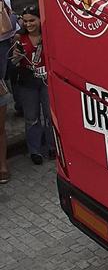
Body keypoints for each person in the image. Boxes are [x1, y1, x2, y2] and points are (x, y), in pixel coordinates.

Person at [8, 9, 53, 165]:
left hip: (47, 81)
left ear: (40, 20)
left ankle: (52, 146)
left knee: (49, 115)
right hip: (27, 83)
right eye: (25, 21)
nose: (28, 24)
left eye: (32, 20)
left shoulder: (48, 35)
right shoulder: (19, 38)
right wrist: (17, 57)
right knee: (32, 117)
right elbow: (12, 63)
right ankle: (34, 150)